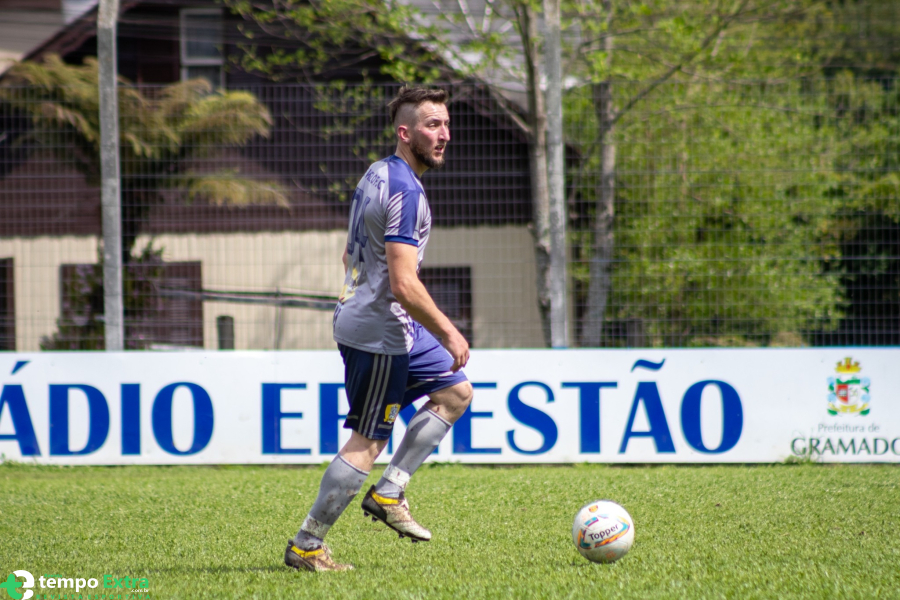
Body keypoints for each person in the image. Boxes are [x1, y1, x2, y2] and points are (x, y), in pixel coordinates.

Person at [284, 86, 474, 572]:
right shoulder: (407, 191)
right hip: (380, 334)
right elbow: (404, 283)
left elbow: (350, 253)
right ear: (404, 132)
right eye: (433, 125)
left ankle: (390, 491)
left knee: (455, 393)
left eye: (446, 124)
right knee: (368, 440)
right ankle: (307, 545)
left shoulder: (378, 173)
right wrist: (451, 332)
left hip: (388, 324)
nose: (444, 135)